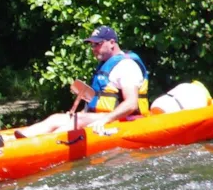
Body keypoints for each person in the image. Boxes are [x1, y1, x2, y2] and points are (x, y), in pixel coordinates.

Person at [14, 26, 149, 138]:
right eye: (92, 45)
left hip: (125, 119)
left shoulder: (126, 66)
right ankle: (19, 139)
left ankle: (44, 144)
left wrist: (104, 120)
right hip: (101, 116)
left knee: (79, 120)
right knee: (56, 118)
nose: (93, 48)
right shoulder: (105, 65)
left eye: (98, 44)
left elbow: (131, 104)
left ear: (112, 43)